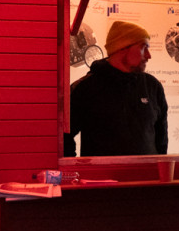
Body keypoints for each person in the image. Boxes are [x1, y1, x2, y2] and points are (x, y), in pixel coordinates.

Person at [65, 20, 168, 157]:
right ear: (122, 48)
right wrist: (76, 169)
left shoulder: (152, 86)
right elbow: (64, 137)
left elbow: (161, 140)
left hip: (147, 176)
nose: (149, 55)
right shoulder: (85, 88)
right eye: (144, 47)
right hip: (100, 177)